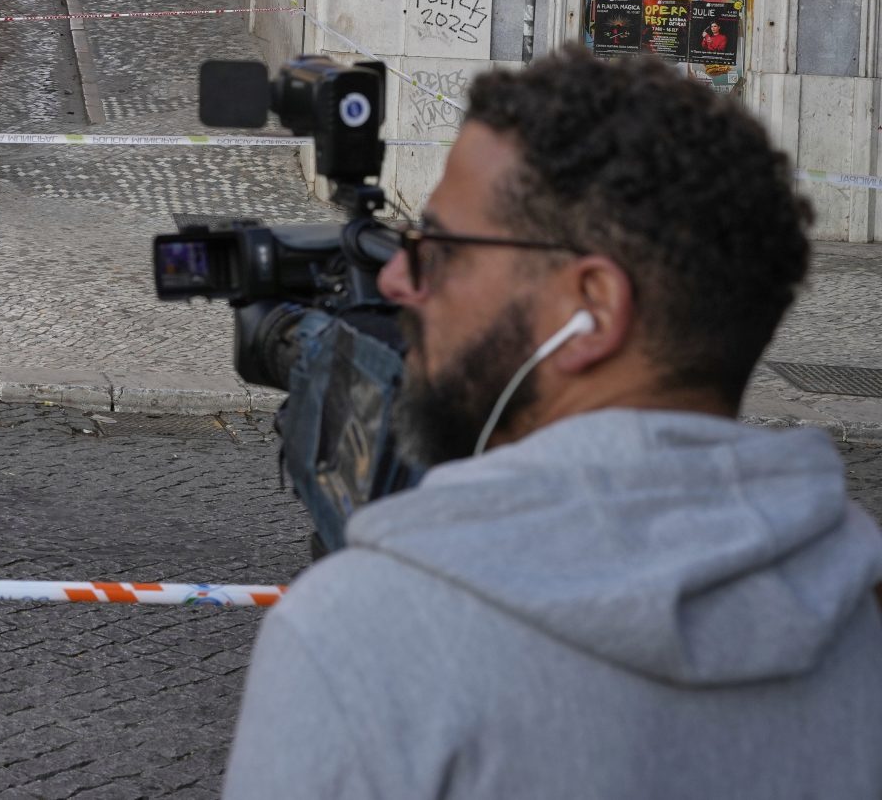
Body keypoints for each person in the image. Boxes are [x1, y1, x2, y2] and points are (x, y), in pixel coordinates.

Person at [223, 50, 882, 799]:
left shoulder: (359, 638)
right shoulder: (864, 620)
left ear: (593, 306)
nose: (400, 280)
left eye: (442, 247)